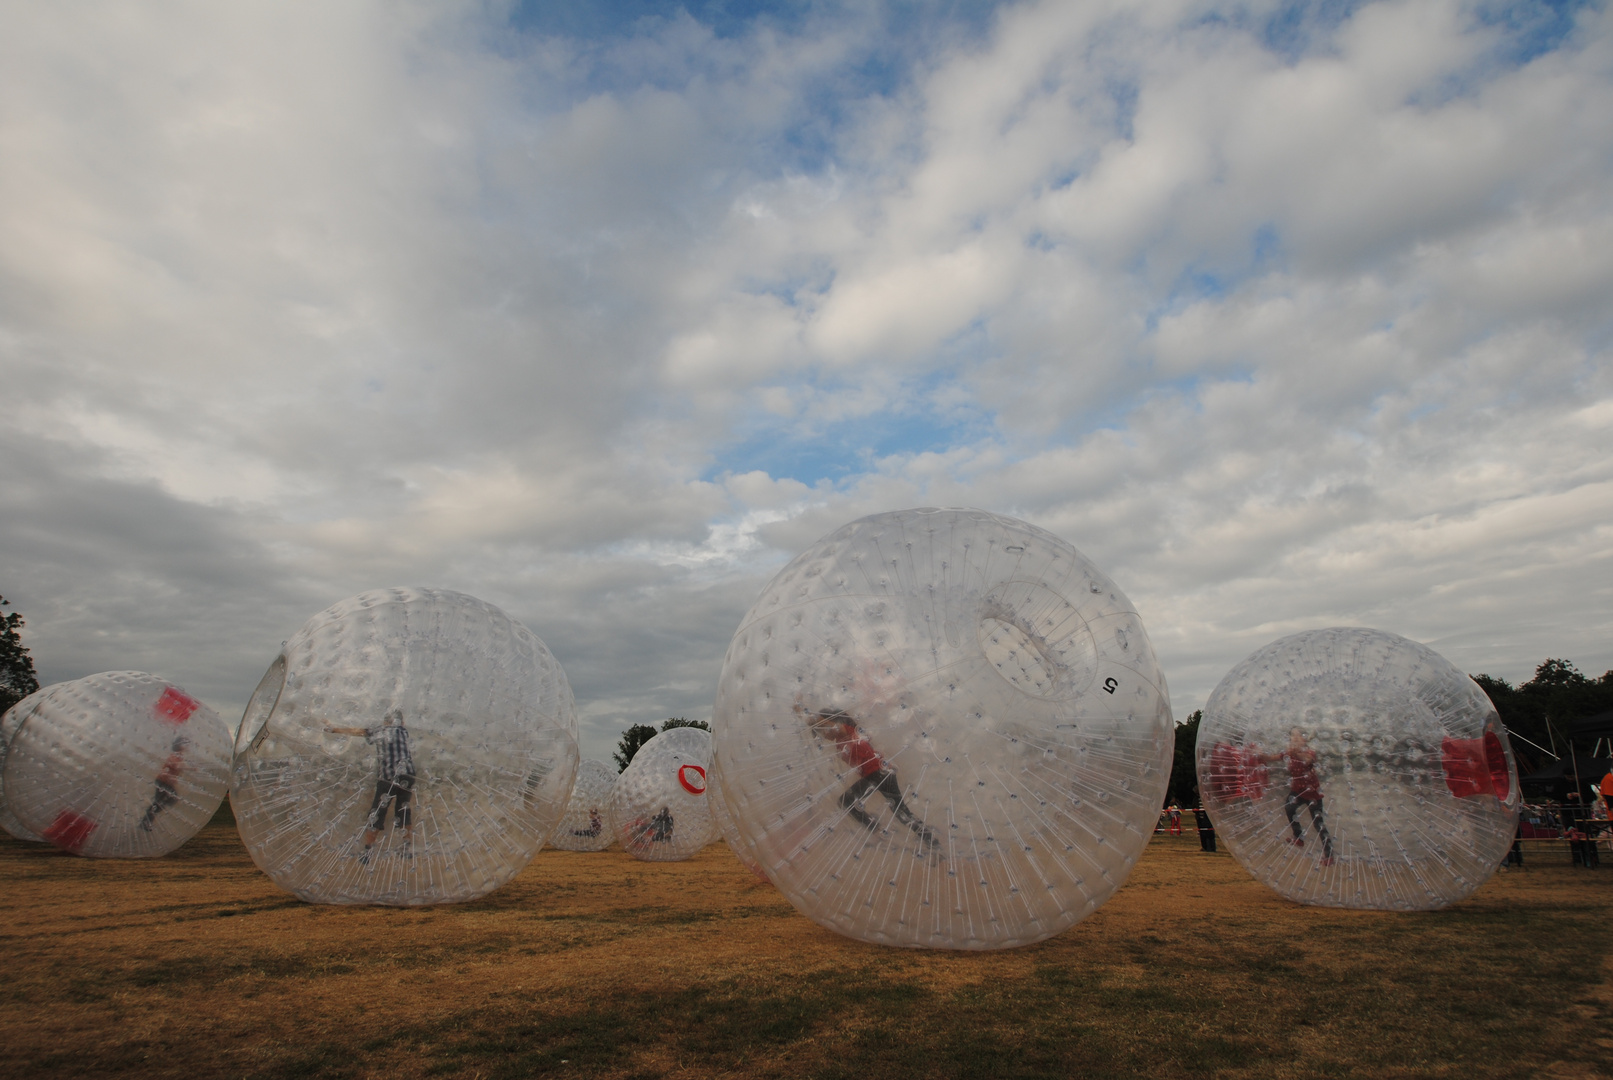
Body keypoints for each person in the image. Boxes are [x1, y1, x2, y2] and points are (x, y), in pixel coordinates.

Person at [801, 706, 937, 852]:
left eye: (822, 731)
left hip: (879, 773)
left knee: (895, 811)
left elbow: (824, 723)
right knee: (900, 812)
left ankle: (878, 829)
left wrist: (802, 712)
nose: (823, 735)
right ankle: (927, 840)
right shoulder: (841, 740)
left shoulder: (847, 730)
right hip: (876, 775)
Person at [325, 708, 417, 864]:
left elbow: (358, 731)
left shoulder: (380, 730)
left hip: (388, 777)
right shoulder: (403, 730)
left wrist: (333, 728)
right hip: (408, 775)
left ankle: (368, 851)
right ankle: (406, 849)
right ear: (402, 722)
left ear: (385, 722)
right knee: (403, 810)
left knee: (377, 812)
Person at [1262, 727, 1334, 866]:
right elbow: (1272, 758)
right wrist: (1259, 755)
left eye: (1298, 735)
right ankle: (1299, 837)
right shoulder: (1288, 753)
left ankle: (1329, 855)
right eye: (1292, 736)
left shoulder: (1309, 752)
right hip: (1297, 790)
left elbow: (1308, 760)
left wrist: (1297, 754)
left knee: (1318, 824)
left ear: (1305, 739)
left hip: (1312, 793)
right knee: (1289, 807)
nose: (1295, 738)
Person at [139, 735, 190, 833]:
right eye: (185, 744)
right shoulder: (175, 755)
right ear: (179, 745)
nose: (187, 746)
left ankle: (146, 821)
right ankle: (146, 821)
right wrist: (189, 767)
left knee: (163, 801)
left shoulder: (180, 756)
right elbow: (175, 765)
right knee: (163, 801)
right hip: (162, 782)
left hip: (166, 783)